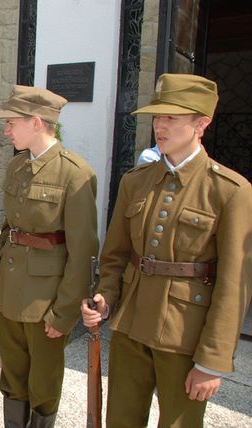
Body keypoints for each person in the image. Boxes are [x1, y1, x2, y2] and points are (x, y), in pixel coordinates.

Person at [81, 73, 252, 427]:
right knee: (121, 421)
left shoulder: (230, 191)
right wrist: (106, 298)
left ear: (201, 123)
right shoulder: (135, 182)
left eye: (172, 117)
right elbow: (115, 256)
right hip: (131, 327)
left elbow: (234, 285)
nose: (160, 125)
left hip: (185, 336)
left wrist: (211, 361)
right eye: (158, 116)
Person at [0, 85, 99, 428]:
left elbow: (83, 250)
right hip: (11, 291)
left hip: (45, 299)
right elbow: (9, 228)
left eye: (11, 122)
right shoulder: (16, 167)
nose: (6, 130)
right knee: (13, 376)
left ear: (35, 122)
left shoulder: (75, 173)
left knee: (43, 382)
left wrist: (63, 313)